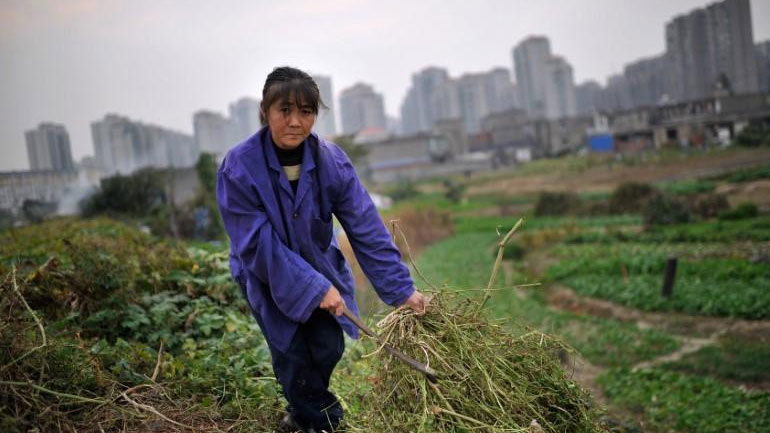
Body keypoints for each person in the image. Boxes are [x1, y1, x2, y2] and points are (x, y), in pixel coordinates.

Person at [216, 66, 428, 433]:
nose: (296, 122)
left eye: (306, 111)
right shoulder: (239, 167)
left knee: (328, 345)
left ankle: (300, 417)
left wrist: (402, 290)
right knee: (292, 351)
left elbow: (365, 227)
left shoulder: (332, 162)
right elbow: (256, 243)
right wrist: (312, 289)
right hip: (265, 273)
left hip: (319, 264)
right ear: (265, 112)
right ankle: (325, 423)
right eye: (285, 110)